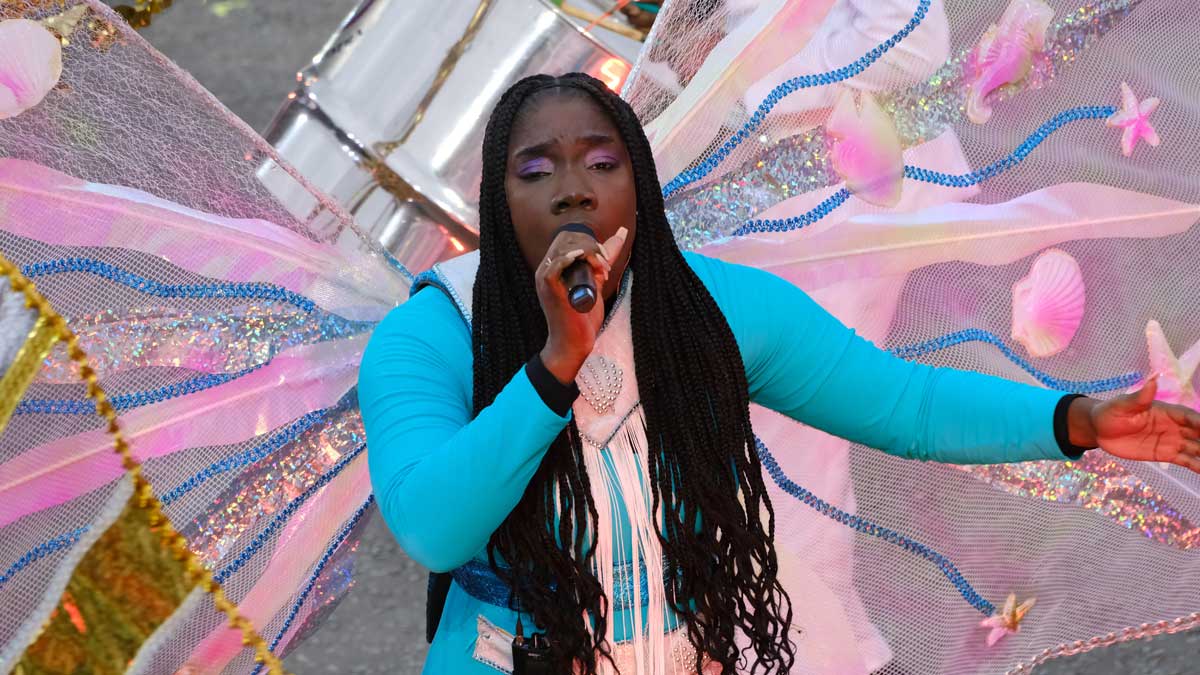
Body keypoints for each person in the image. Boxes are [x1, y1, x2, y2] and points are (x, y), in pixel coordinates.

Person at [358, 72, 1200, 675]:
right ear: (497, 206)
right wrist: (554, 366)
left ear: (641, 186)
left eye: (602, 163)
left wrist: (1074, 420)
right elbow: (434, 529)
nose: (573, 190)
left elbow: (906, 403)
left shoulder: (716, 307)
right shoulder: (430, 335)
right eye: (536, 171)